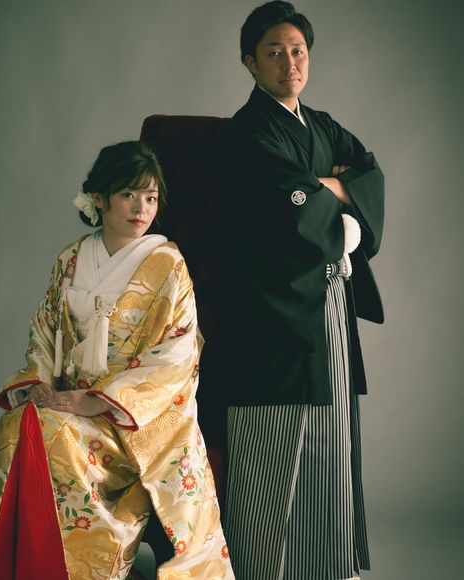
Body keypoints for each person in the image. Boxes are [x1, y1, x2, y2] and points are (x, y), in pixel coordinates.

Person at [0, 141, 234, 580]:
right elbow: (45, 331)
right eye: (128, 194)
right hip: (67, 402)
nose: (141, 208)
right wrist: (41, 384)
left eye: (150, 198)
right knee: (15, 426)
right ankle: (9, 567)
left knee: (54, 436)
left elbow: (174, 356)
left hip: (131, 419)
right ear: (99, 199)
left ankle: (70, 569)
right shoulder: (72, 259)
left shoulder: (168, 265)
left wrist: (97, 402)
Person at [218, 2, 384, 580]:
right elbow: (291, 210)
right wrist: (335, 192)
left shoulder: (321, 124)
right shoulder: (247, 132)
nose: (289, 62)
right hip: (271, 306)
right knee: (274, 438)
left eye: (298, 50)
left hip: (328, 296)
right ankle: (261, 567)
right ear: (250, 62)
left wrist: (325, 186)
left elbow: (368, 173)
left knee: (330, 436)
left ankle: (325, 564)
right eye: (274, 52)